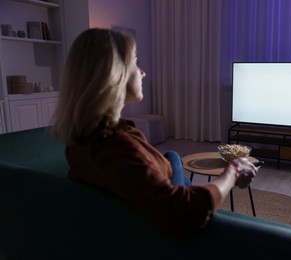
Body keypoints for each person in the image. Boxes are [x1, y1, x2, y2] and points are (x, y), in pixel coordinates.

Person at [53, 28, 258, 237]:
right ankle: (189, 186)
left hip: (135, 209)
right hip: (159, 237)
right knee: (174, 162)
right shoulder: (118, 147)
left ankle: (183, 180)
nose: (142, 72)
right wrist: (231, 173)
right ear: (114, 75)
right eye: (135, 62)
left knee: (172, 157)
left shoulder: (83, 140)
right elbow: (182, 211)